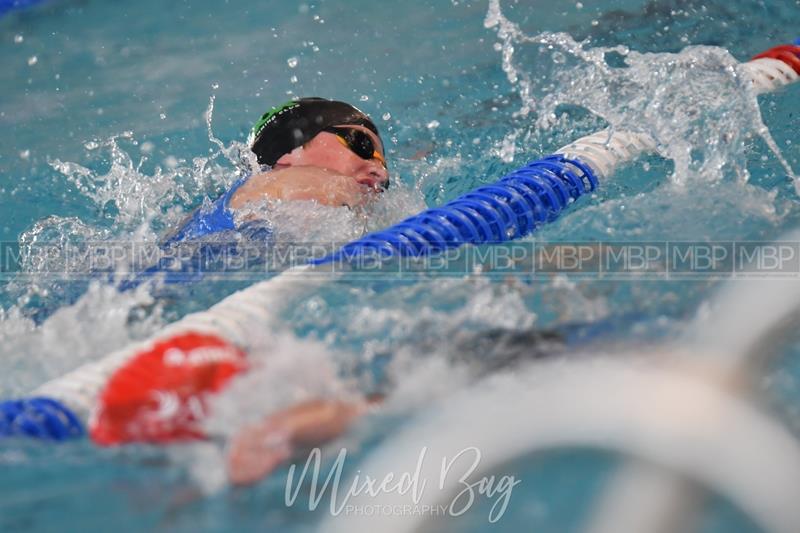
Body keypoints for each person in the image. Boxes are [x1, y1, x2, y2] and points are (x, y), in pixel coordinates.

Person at [165, 97, 389, 244]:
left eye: (384, 164)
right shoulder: (266, 185)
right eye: (362, 144)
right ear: (288, 154)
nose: (382, 173)